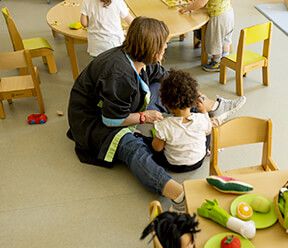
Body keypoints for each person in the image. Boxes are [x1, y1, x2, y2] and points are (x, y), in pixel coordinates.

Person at [67, 17, 245, 212]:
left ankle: (210, 108)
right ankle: (178, 194)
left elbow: (165, 77)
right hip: (94, 121)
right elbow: (111, 120)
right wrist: (144, 117)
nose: (166, 46)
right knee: (132, 147)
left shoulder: (139, 57)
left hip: (120, 105)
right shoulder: (119, 74)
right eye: (164, 43)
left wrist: (194, 96)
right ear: (151, 48)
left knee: (169, 91)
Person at [151, 69, 212, 173]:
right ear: (193, 99)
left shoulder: (164, 125)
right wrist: (203, 111)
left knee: (151, 144)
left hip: (174, 166)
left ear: (166, 102)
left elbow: (157, 148)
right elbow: (208, 130)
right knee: (208, 129)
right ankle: (206, 151)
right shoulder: (201, 119)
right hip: (198, 162)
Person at [179, 0, 234, 72]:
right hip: (228, 12)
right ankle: (225, 59)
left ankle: (216, 62)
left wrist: (187, 8)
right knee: (225, 39)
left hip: (218, 16)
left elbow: (201, 3)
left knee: (215, 41)